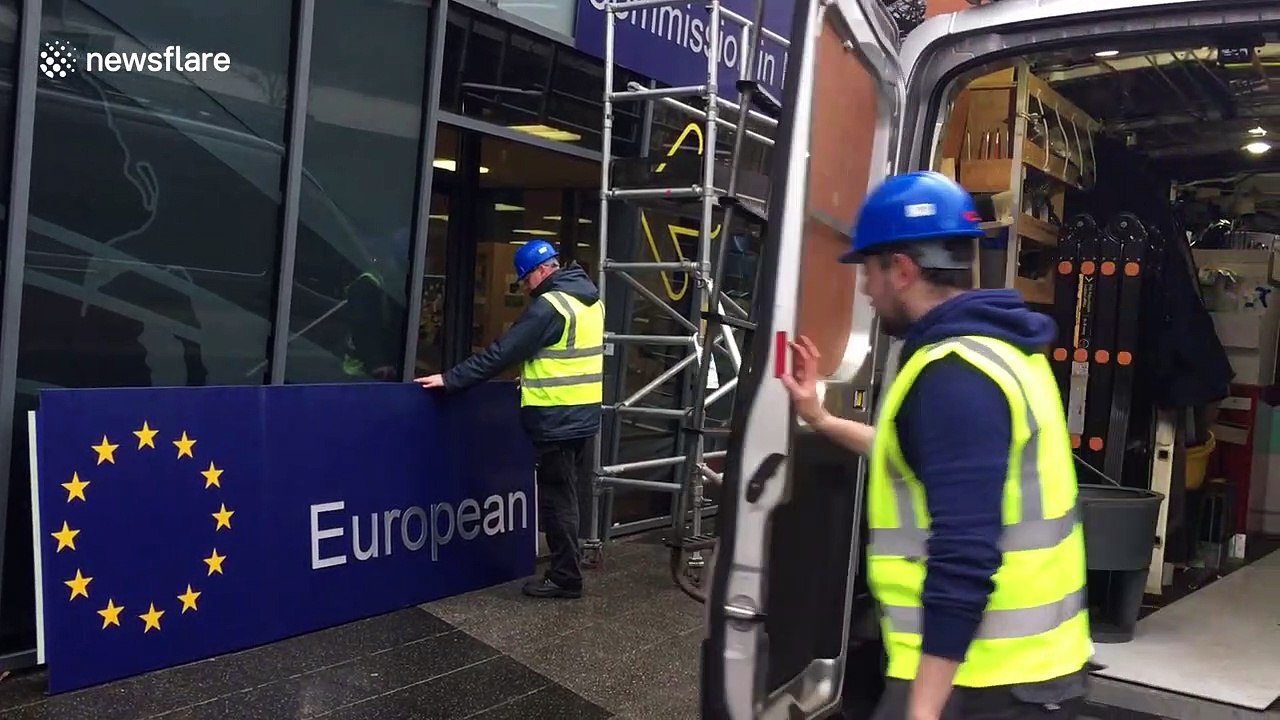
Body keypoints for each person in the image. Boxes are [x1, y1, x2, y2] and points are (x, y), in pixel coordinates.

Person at [780, 171, 1092, 720]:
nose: (864, 290)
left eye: (869, 272)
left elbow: (965, 555)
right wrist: (820, 417)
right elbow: (927, 460)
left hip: (982, 684)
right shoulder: (1002, 352)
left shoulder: (955, 375)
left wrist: (923, 708)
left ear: (900, 270)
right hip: (1016, 675)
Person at [416, 239, 603, 600]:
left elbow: (502, 353)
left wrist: (451, 379)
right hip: (581, 414)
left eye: (525, 280)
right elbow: (563, 355)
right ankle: (568, 569)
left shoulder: (550, 307)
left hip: (557, 418)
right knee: (565, 494)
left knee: (557, 500)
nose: (526, 288)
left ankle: (566, 576)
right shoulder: (589, 301)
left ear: (541, 270)